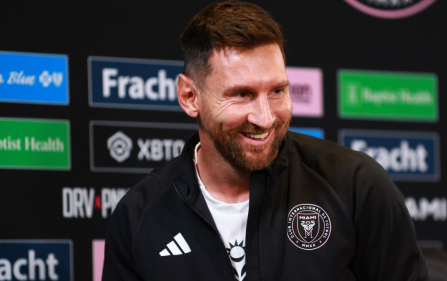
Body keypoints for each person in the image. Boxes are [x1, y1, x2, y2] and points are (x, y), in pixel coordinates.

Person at [102, 1, 428, 280]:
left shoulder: (355, 185)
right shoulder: (139, 216)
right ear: (189, 96)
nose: (265, 117)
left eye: (277, 91)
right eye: (241, 95)